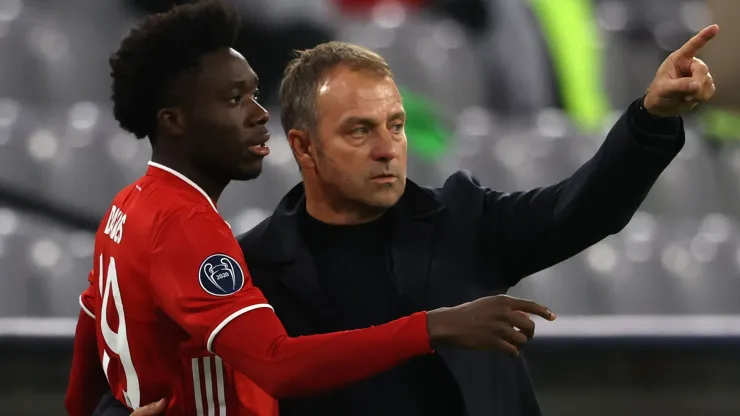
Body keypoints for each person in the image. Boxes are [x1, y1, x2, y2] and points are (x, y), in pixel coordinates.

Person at [115, 17, 719, 416]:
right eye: (360, 131)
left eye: (395, 126)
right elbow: (144, 376)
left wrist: (651, 117)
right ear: (304, 148)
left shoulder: (464, 220)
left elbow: (584, 208)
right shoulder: (250, 269)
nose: (388, 148)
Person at [63, 2, 559, 416]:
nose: (261, 115)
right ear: (174, 122)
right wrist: (433, 326)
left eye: (255, 95)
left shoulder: (126, 208)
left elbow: (88, 351)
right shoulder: (185, 227)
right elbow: (279, 365)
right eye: (235, 100)